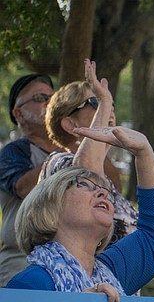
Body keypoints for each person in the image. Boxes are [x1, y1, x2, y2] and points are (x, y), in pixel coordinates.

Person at [7, 125, 154, 298]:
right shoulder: (27, 284)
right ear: (49, 207)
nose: (103, 192)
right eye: (83, 184)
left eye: (106, 192)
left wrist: (144, 152)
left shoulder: (114, 272)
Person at [42, 60, 136, 243]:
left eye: (111, 105)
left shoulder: (106, 178)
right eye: (96, 102)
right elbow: (86, 175)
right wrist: (106, 102)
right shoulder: (59, 163)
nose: (109, 109)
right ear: (70, 124)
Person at [0, 73, 61, 285]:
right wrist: (67, 151)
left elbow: (113, 185)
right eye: (39, 98)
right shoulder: (13, 151)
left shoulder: (75, 147)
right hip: (22, 262)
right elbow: (24, 188)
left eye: (53, 97)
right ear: (18, 113)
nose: (49, 102)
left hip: (68, 262)